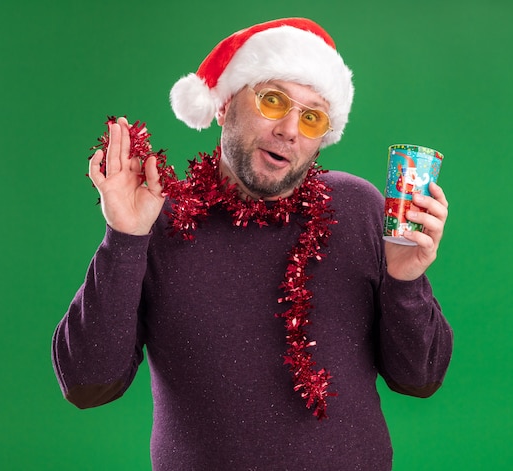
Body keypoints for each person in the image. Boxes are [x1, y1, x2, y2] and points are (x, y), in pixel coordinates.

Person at [52, 17, 453, 470]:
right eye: (273, 99)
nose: (289, 128)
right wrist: (124, 239)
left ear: (322, 139)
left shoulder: (358, 208)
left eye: (312, 116)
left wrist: (406, 280)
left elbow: (419, 378)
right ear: (224, 106)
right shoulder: (160, 218)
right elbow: (87, 384)